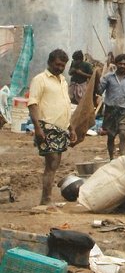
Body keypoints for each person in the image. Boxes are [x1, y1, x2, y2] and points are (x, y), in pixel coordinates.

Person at [26, 49, 77, 206]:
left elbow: (64, 106)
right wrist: (37, 128)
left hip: (61, 128)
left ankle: (47, 198)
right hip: (46, 127)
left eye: (63, 65)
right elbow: (33, 104)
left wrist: (71, 128)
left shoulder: (63, 80)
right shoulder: (40, 80)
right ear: (49, 62)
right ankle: (46, 200)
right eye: (57, 65)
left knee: (55, 163)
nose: (60, 68)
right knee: (52, 162)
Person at [97, 53, 125, 160]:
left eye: (124, 64)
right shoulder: (108, 78)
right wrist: (97, 79)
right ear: (116, 64)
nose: (122, 66)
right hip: (110, 111)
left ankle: (122, 158)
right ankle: (111, 158)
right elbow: (99, 91)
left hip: (123, 111)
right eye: (120, 63)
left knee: (123, 134)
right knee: (111, 137)